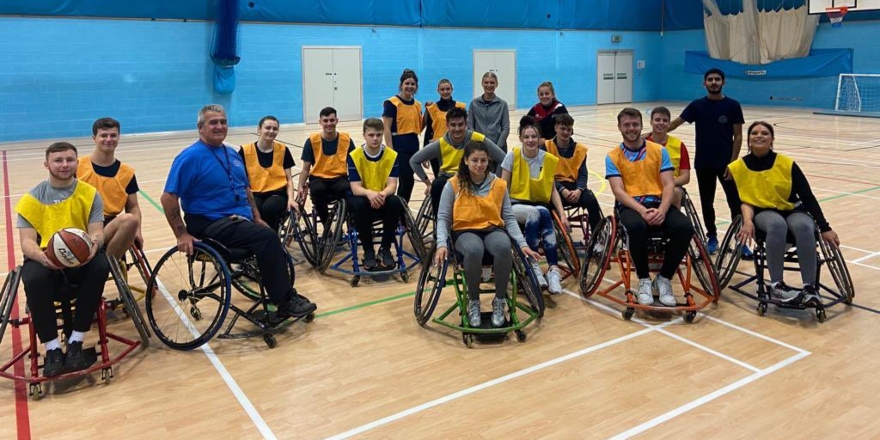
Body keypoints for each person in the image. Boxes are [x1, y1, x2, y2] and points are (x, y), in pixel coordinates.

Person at [160, 104, 316, 319]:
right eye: (213, 122)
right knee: (267, 238)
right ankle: (285, 300)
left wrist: (257, 217)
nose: (219, 126)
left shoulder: (232, 154)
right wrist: (181, 234)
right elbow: (168, 198)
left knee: (266, 232)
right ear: (200, 128)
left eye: (223, 122)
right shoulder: (190, 158)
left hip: (238, 220)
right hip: (209, 223)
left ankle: (277, 289)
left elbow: (245, 189)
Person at [15, 142, 109, 377]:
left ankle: (76, 341)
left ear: (77, 162)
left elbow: (97, 231)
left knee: (101, 265)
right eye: (58, 160)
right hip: (46, 256)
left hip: (81, 256)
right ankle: (53, 348)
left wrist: (93, 247)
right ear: (47, 164)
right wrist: (43, 258)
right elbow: (27, 242)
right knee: (33, 277)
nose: (64, 164)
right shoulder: (31, 199)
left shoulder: (89, 193)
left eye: (69, 160)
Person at [730, 121, 840, 307]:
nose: (759, 136)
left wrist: (825, 227)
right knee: (776, 225)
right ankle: (777, 285)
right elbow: (743, 201)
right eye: (754, 133)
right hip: (762, 212)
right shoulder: (737, 167)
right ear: (748, 139)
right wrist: (747, 221)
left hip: (791, 208)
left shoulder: (786, 164)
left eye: (765, 133)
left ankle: (809, 288)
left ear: (772, 139)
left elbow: (807, 196)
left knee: (804, 226)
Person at [435, 141, 540, 328]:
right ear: (466, 160)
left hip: (492, 229)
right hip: (464, 230)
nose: (479, 164)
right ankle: (473, 301)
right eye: (474, 160)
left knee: (503, 246)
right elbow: (443, 217)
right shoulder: (453, 184)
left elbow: (508, 217)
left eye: (483, 160)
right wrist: (441, 244)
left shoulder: (499, 185)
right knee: (474, 249)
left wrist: (523, 244)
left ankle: (499, 300)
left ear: (488, 161)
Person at [606, 108, 694, 307]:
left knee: (685, 228)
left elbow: (669, 184)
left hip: (658, 203)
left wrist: (662, 210)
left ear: (641, 125)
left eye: (635, 124)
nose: (631, 128)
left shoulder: (659, 151)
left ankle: (664, 278)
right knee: (637, 227)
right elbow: (618, 191)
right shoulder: (613, 156)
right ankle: (644, 279)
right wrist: (641, 210)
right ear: (619, 127)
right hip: (631, 206)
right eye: (627, 125)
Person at [667, 68, 749, 257]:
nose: (714, 82)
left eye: (717, 79)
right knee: (707, 202)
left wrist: (733, 163)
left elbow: (737, 136)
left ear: (723, 82)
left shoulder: (733, 105)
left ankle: (741, 240)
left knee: (734, 202)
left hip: (727, 164)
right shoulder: (697, 105)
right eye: (710, 79)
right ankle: (711, 237)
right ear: (704, 83)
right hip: (704, 163)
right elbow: (675, 124)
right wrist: (650, 135)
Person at [500, 116, 569, 295]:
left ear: (540, 139)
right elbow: (502, 187)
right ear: (521, 139)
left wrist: (562, 214)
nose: (530, 140)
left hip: (538, 206)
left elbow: (553, 190)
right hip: (514, 206)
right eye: (527, 137)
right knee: (534, 212)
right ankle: (533, 265)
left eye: (534, 137)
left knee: (543, 212)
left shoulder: (547, 159)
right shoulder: (512, 156)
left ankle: (553, 270)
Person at [410, 107, 506, 216]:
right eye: (453, 125)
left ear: (466, 124)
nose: (457, 129)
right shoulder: (440, 144)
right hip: (448, 179)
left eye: (460, 124)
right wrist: (428, 183)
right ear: (447, 126)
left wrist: (496, 180)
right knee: (437, 185)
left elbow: (503, 158)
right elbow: (414, 161)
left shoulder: (478, 138)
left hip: (473, 177)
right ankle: (440, 225)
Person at [76, 117, 142, 258]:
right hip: (81, 224)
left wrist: (137, 231)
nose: (109, 139)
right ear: (94, 138)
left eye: (113, 135)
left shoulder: (127, 172)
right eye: (103, 135)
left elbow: (133, 207)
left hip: (110, 225)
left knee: (130, 220)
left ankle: (106, 264)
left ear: (119, 138)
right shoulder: (77, 166)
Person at [348, 118, 405, 270]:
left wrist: (381, 195)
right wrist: (370, 194)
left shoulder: (391, 155)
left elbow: (392, 185)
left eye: (378, 135)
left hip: (382, 197)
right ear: (364, 135)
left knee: (395, 201)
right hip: (364, 199)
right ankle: (368, 251)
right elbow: (355, 188)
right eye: (371, 135)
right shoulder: (354, 155)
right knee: (358, 203)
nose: (375, 138)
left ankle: (385, 249)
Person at [543, 113, 602, 234]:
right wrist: (561, 189)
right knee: (543, 204)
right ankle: (550, 234)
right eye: (562, 128)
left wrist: (579, 190)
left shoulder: (580, 149)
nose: (565, 132)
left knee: (591, 200)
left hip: (574, 187)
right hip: (554, 187)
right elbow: (545, 175)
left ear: (572, 130)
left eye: (568, 129)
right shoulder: (546, 147)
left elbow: (583, 174)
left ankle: (597, 236)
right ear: (556, 128)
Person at [297, 107, 356, 226]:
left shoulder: (346, 140)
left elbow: (355, 166)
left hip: (339, 178)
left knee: (347, 189)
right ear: (320, 122)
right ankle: (327, 226)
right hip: (318, 178)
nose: (329, 123)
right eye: (325, 121)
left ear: (337, 120)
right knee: (318, 190)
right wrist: (300, 186)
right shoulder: (312, 141)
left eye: (332, 120)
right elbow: (305, 169)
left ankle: (341, 223)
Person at [238, 115, 296, 232]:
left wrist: (291, 199)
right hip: (255, 193)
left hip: (277, 193)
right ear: (259, 129)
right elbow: (240, 180)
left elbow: (289, 179)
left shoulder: (283, 150)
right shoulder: (245, 151)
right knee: (255, 209)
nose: (271, 131)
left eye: (275, 129)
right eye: (268, 128)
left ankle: (271, 238)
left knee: (269, 208)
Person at [382, 69, 423, 203]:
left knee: (408, 181)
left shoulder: (417, 105)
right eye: (407, 83)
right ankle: (399, 212)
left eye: (413, 84)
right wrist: (391, 151)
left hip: (413, 145)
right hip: (398, 145)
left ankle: (401, 211)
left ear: (416, 86)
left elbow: (419, 127)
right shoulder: (392, 103)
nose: (410, 87)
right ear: (401, 85)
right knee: (407, 180)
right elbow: (386, 128)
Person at [645, 107, 691, 208]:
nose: (661, 123)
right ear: (651, 122)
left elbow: (685, 177)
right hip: (647, 186)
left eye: (665, 120)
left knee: (674, 192)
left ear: (669, 124)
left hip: (672, 186)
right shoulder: (642, 144)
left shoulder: (678, 145)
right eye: (657, 120)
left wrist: (668, 184)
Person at [422, 79, 467, 176]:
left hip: (456, 148)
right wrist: (425, 153)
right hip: (437, 147)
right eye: (442, 89)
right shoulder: (432, 108)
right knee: (439, 179)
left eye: (447, 89)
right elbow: (429, 131)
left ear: (452, 90)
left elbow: (467, 129)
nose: (445, 92)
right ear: (438, 91)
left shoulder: (460, 107)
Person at [468, 71, 510, 152]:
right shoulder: (474, 104)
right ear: (482, 84)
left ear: (496, 84)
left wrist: (497, 148)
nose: (489, 85)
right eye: (486, 82)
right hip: (478, 148)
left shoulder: (502, 105)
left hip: (499, 148)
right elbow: (470, 127)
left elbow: (506, 128)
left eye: (492, 82)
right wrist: (477, 144)